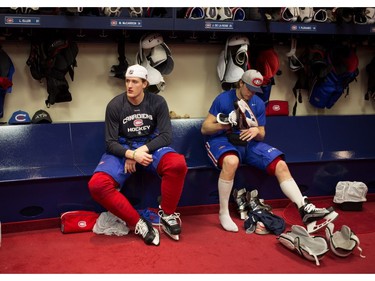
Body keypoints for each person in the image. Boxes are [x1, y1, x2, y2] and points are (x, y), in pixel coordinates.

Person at [201, 69, 338, 234]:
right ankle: (224, 213)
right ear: (241, 83)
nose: (251, 93)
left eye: (255, 90)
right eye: (249, 88)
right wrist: (226, 124)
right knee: (231, 162)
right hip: (223, 139)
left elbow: (262, 134)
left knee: (280, 164)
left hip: (248, 143)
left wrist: (256, 132)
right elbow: (205, 128)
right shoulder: (223, 99)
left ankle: (305, 209)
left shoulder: (257, 102)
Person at [88, 64, 188, 246]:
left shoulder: (157, 102)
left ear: (145, 84)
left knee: (177, 164)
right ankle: (138, 223)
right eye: (127, 81)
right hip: (124, 147)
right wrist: (131, 154)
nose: (129, 85)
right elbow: (110, 143)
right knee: (97, 185)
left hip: (148, 146)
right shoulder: (115, 105)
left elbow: (166, 136)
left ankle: (167, 214)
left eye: (135, 81)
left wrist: (142, 150)